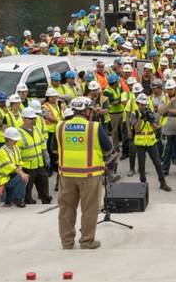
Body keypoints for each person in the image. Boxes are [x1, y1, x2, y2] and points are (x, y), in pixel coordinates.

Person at [56, 97, 113, 250]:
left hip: (66, 176)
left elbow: (54, 149)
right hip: (89, 175)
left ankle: (67, 242)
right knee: (89, 209)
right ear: (87, 111)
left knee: (66, 209)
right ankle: (87, 241)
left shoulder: (60, 126)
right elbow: (108, 148)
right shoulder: (94, 127)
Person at [131, 94, 171, 192]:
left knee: (157, 163)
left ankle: (163, 183)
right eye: (141, 105)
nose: (143, 107)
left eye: (145, 105)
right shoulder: (134, 114)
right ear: (137, 104)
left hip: (151, 141)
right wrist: (141, 118)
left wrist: (150, 120)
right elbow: (136, 129)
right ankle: (143, 184)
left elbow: (156, 127)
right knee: (141, 165)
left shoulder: (150, 113)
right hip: (140, 143)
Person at [18, 108, 51, 204]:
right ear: (24, 119)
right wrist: (19, 168)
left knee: (44, 186)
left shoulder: (36, 129)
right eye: (31, 119)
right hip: (27, 167)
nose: (33, 120)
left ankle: (46, 201)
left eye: (34, 118)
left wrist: (46, 158)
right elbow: (17, 152)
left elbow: (42, 145)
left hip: (39, 164)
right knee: (27, 190)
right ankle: (28, 202)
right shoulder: (19, 133)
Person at [159, 79, 176, 177]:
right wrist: (170, 103)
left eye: (171, 89)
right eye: (168, 89)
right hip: (167, 130)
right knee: (167, 151)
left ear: (175, 88)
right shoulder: (164, 98)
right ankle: (165, 169)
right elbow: (161, 112)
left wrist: (169, 111)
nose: (169, 91)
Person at [0, 127, 28, 208]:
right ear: (8, 139)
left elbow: (19, 160)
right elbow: (9, 166)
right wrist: (21, 173)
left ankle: (11, 200)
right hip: (5, 178)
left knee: (23, 177)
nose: (16, 141)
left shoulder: (16, 148)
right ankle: (18, 199)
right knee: (22, 178)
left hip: (13, 176)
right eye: (14, 139)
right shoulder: (1, 152)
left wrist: (20, 169)